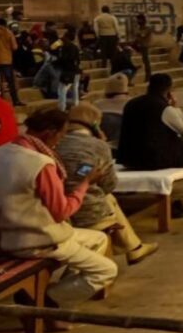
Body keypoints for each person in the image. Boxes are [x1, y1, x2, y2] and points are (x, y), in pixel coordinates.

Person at [0, 107, 118, 308]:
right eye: (61, 135)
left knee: (99, 238)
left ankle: (52, 291)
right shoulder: (41, 163)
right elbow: (62, 212)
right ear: (50, 133)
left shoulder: (3, 151)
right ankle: (49, 300)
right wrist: (84, 184)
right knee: (107, 270)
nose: (60, 141)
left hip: (7, 237)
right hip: (39, 241)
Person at [56, 103, 158, 264]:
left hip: (58, 206)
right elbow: (109, 185)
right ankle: (132, 249)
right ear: (96, 124)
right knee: (106, 197)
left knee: (107, 198)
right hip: (86, 212)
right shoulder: (97, 146)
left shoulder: (55, 144)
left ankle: (135, 248)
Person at [118, 74, 183, 172]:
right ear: (168, 90)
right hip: (154, 159)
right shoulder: (164, 108)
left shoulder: (130, 103)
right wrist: (175, 108)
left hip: (129, 159)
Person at [56, 27, 81, 111]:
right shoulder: (75, 47)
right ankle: (76, 105)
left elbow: (65, 59)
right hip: (76, 70)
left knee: (62, 90)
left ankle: (62, 108)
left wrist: (57, 62)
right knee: (75, 89)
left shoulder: (66, 47)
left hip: (68, 71)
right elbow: (78, 60)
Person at [0, 18, 23, 105]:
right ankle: (15, 100)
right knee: (10, 82)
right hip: (6, 60)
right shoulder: (8, 33)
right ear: (5, 24)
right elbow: (14, 47)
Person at [133, 13, 153, 82]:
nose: (138, 21)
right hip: (140, 45)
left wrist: (138, 33)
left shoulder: (147, 28)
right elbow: (137, 37)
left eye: (139, 19)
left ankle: (148, 76)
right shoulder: (139, 28)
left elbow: (142, 35)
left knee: (146, 61)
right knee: (144, 61)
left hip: (145, 46)